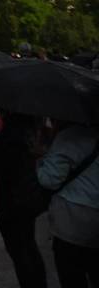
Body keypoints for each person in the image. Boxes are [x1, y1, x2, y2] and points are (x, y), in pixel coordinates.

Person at [37, 119, 99, 287]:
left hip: (71, 220)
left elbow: (49, 180)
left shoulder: (69, 137)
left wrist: (40, 163)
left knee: (72, 274)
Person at [0, 113, 48, 288]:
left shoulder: (4, 135)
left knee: (19, 249)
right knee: (28, 244)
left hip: (8, 199)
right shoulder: (28, 129)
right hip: (26, 197)